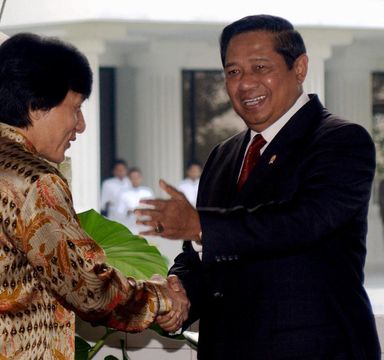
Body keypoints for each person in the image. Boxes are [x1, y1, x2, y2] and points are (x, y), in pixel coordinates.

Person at [0, 33, 189, 359]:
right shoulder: (33, 181)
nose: (81, 125)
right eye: (76, 107)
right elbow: (90, 289)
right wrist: (160, 298)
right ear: (36, 106)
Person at [137, 14, 380, 359]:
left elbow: (301, 223)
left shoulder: (341, 140)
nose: (246, 83)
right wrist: (181, 292)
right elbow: (211, 256)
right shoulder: (224, 155)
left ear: (299, 68)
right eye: (233, 72)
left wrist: (199, 225)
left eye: (260, 67)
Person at [116, 167, 155, 233]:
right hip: (130, 224)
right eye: (133, 178)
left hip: (145, 224)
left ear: (141, 178)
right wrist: (129, 211)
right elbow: (119, 212)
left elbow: (154, 208)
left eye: (137, 177)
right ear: (129, 179)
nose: (135, 180)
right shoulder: (124, 193)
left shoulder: (147, 192)